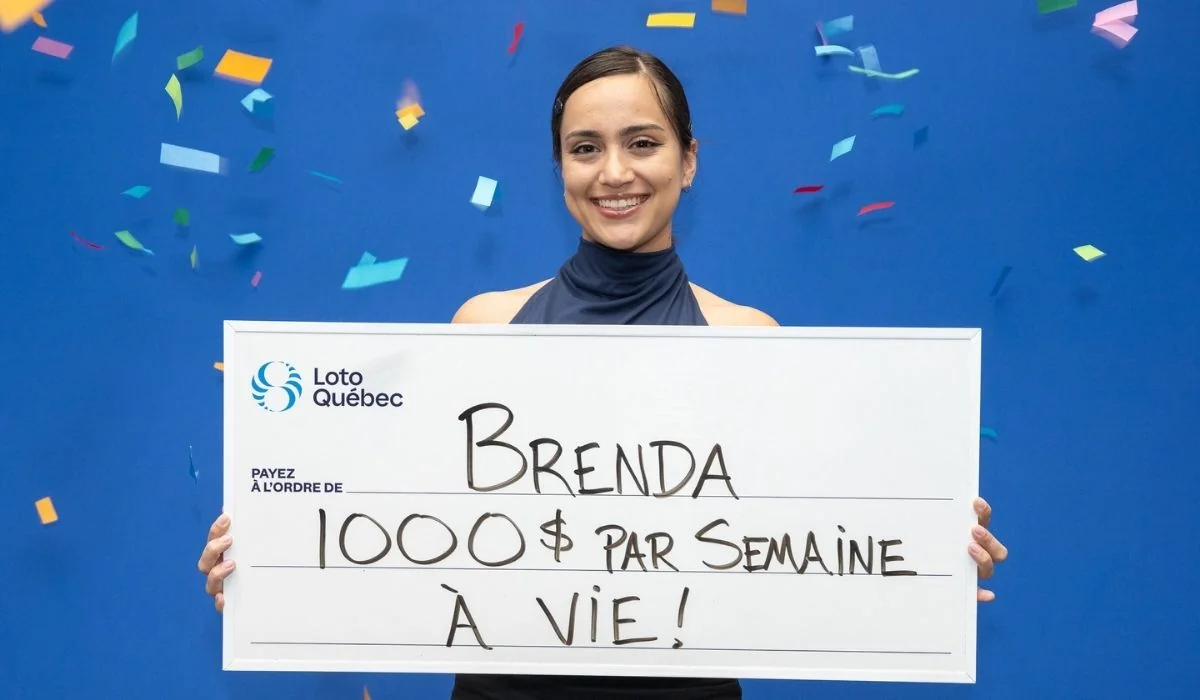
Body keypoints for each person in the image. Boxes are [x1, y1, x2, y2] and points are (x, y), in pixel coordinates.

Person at [198, 45, 1009, 700]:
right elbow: (396, 531)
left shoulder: (748, 340)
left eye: (643, 143)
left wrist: (927, 562)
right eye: (585, 149)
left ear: (688, 162)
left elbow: (807, 545)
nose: (614, 172)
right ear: (560, 168)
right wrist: (271, 564)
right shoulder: (484, 328)